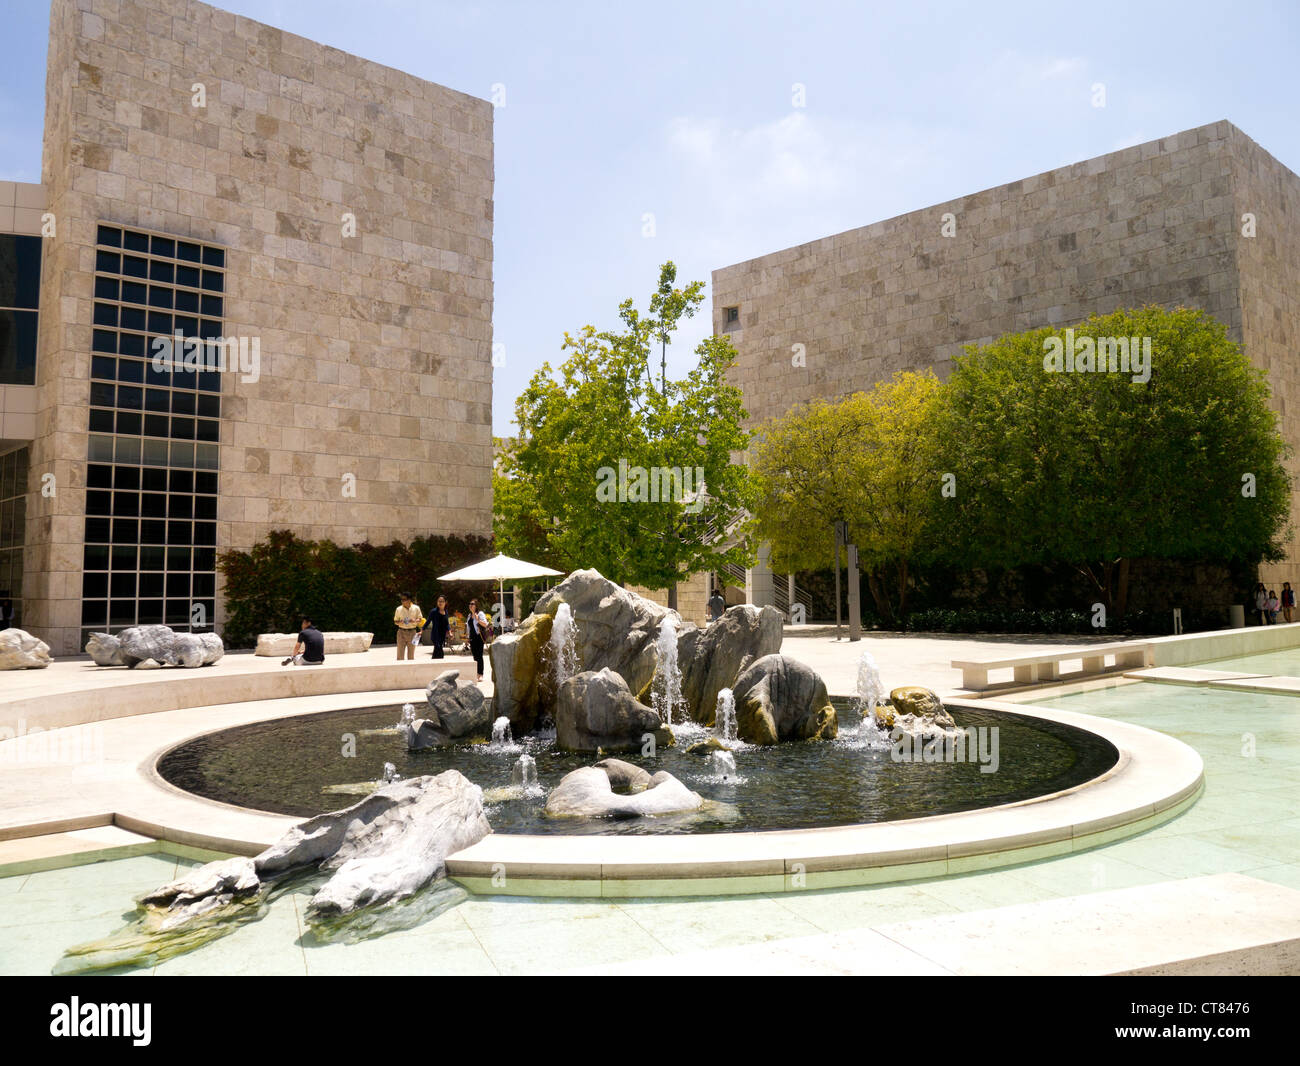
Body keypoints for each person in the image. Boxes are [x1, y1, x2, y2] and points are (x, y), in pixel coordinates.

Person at [394, 592, 424, 661]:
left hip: (413, 632)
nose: (402, 601)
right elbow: (395, 621)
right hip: (401, 632)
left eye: (404, 599)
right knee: (400, 655)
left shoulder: (416, 608)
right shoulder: (398, 609)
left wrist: (415, 620)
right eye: (401, 599)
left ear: (409, 600)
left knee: (411, 656)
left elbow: (420, 619)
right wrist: (400, 622)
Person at [466, 598, 490, 682]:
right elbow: (468, 628)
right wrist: (467, 638)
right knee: (475, 656)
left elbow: (485, 624)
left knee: (479, 656)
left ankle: (480, 674)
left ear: (476, 606)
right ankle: (476, 673)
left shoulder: (480, 614)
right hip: (472, 637)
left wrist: (477, 619)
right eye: (469, 604)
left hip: (479, 637)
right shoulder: (469, 616)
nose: (470, 605)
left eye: (472, 604)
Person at [429, 594, 450, 659]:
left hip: (442, 635)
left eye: (442, 601)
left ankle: (435, 665)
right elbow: (428, 621)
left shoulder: (445, 611)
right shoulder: (434, 611)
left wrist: (450, 632)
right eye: (439, 601)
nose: (440, 603)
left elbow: (447, 623)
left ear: (445, 602)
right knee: (439, 650)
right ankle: (438, 664)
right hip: (435, 635)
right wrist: (422, 630)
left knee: (437, 651)